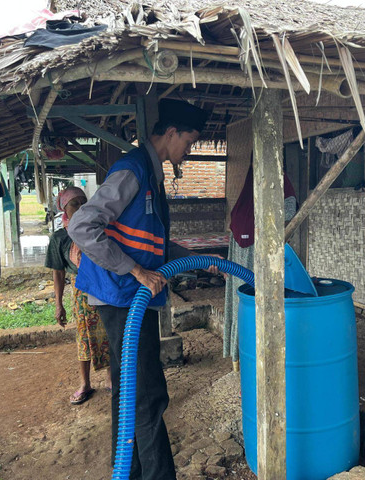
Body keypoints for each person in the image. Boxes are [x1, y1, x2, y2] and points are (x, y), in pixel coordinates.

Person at [68, 99, 210, 479]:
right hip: (121, 296)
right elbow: (81, 226)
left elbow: (153, 243)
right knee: (146, 395)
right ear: (171, 133)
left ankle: (126, 472)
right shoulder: (132, 171)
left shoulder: (151, 173)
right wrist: (134, 270)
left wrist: (198, 258)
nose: (189, 151)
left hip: (129, 297)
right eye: (190, 142)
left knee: (129, 392)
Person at [223, 159, 297, 370]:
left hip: (242, 252)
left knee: (244, 302)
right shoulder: (275, 184)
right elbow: (290, 211)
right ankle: (256, 357)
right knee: (256, 301)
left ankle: (240, 357)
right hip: (257, 252)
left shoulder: (246, 196)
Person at [45, 186, 112, 405]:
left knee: (109, 331)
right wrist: (58, 305)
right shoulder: (59, 238)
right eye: (75, 203)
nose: (81, 207)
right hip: (81, 291)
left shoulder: (96, 229)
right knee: (83, 337)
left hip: (103, 286)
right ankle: (85, 384)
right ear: (64, 207)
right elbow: (58, 272)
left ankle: (111, 379)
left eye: (84, 201)